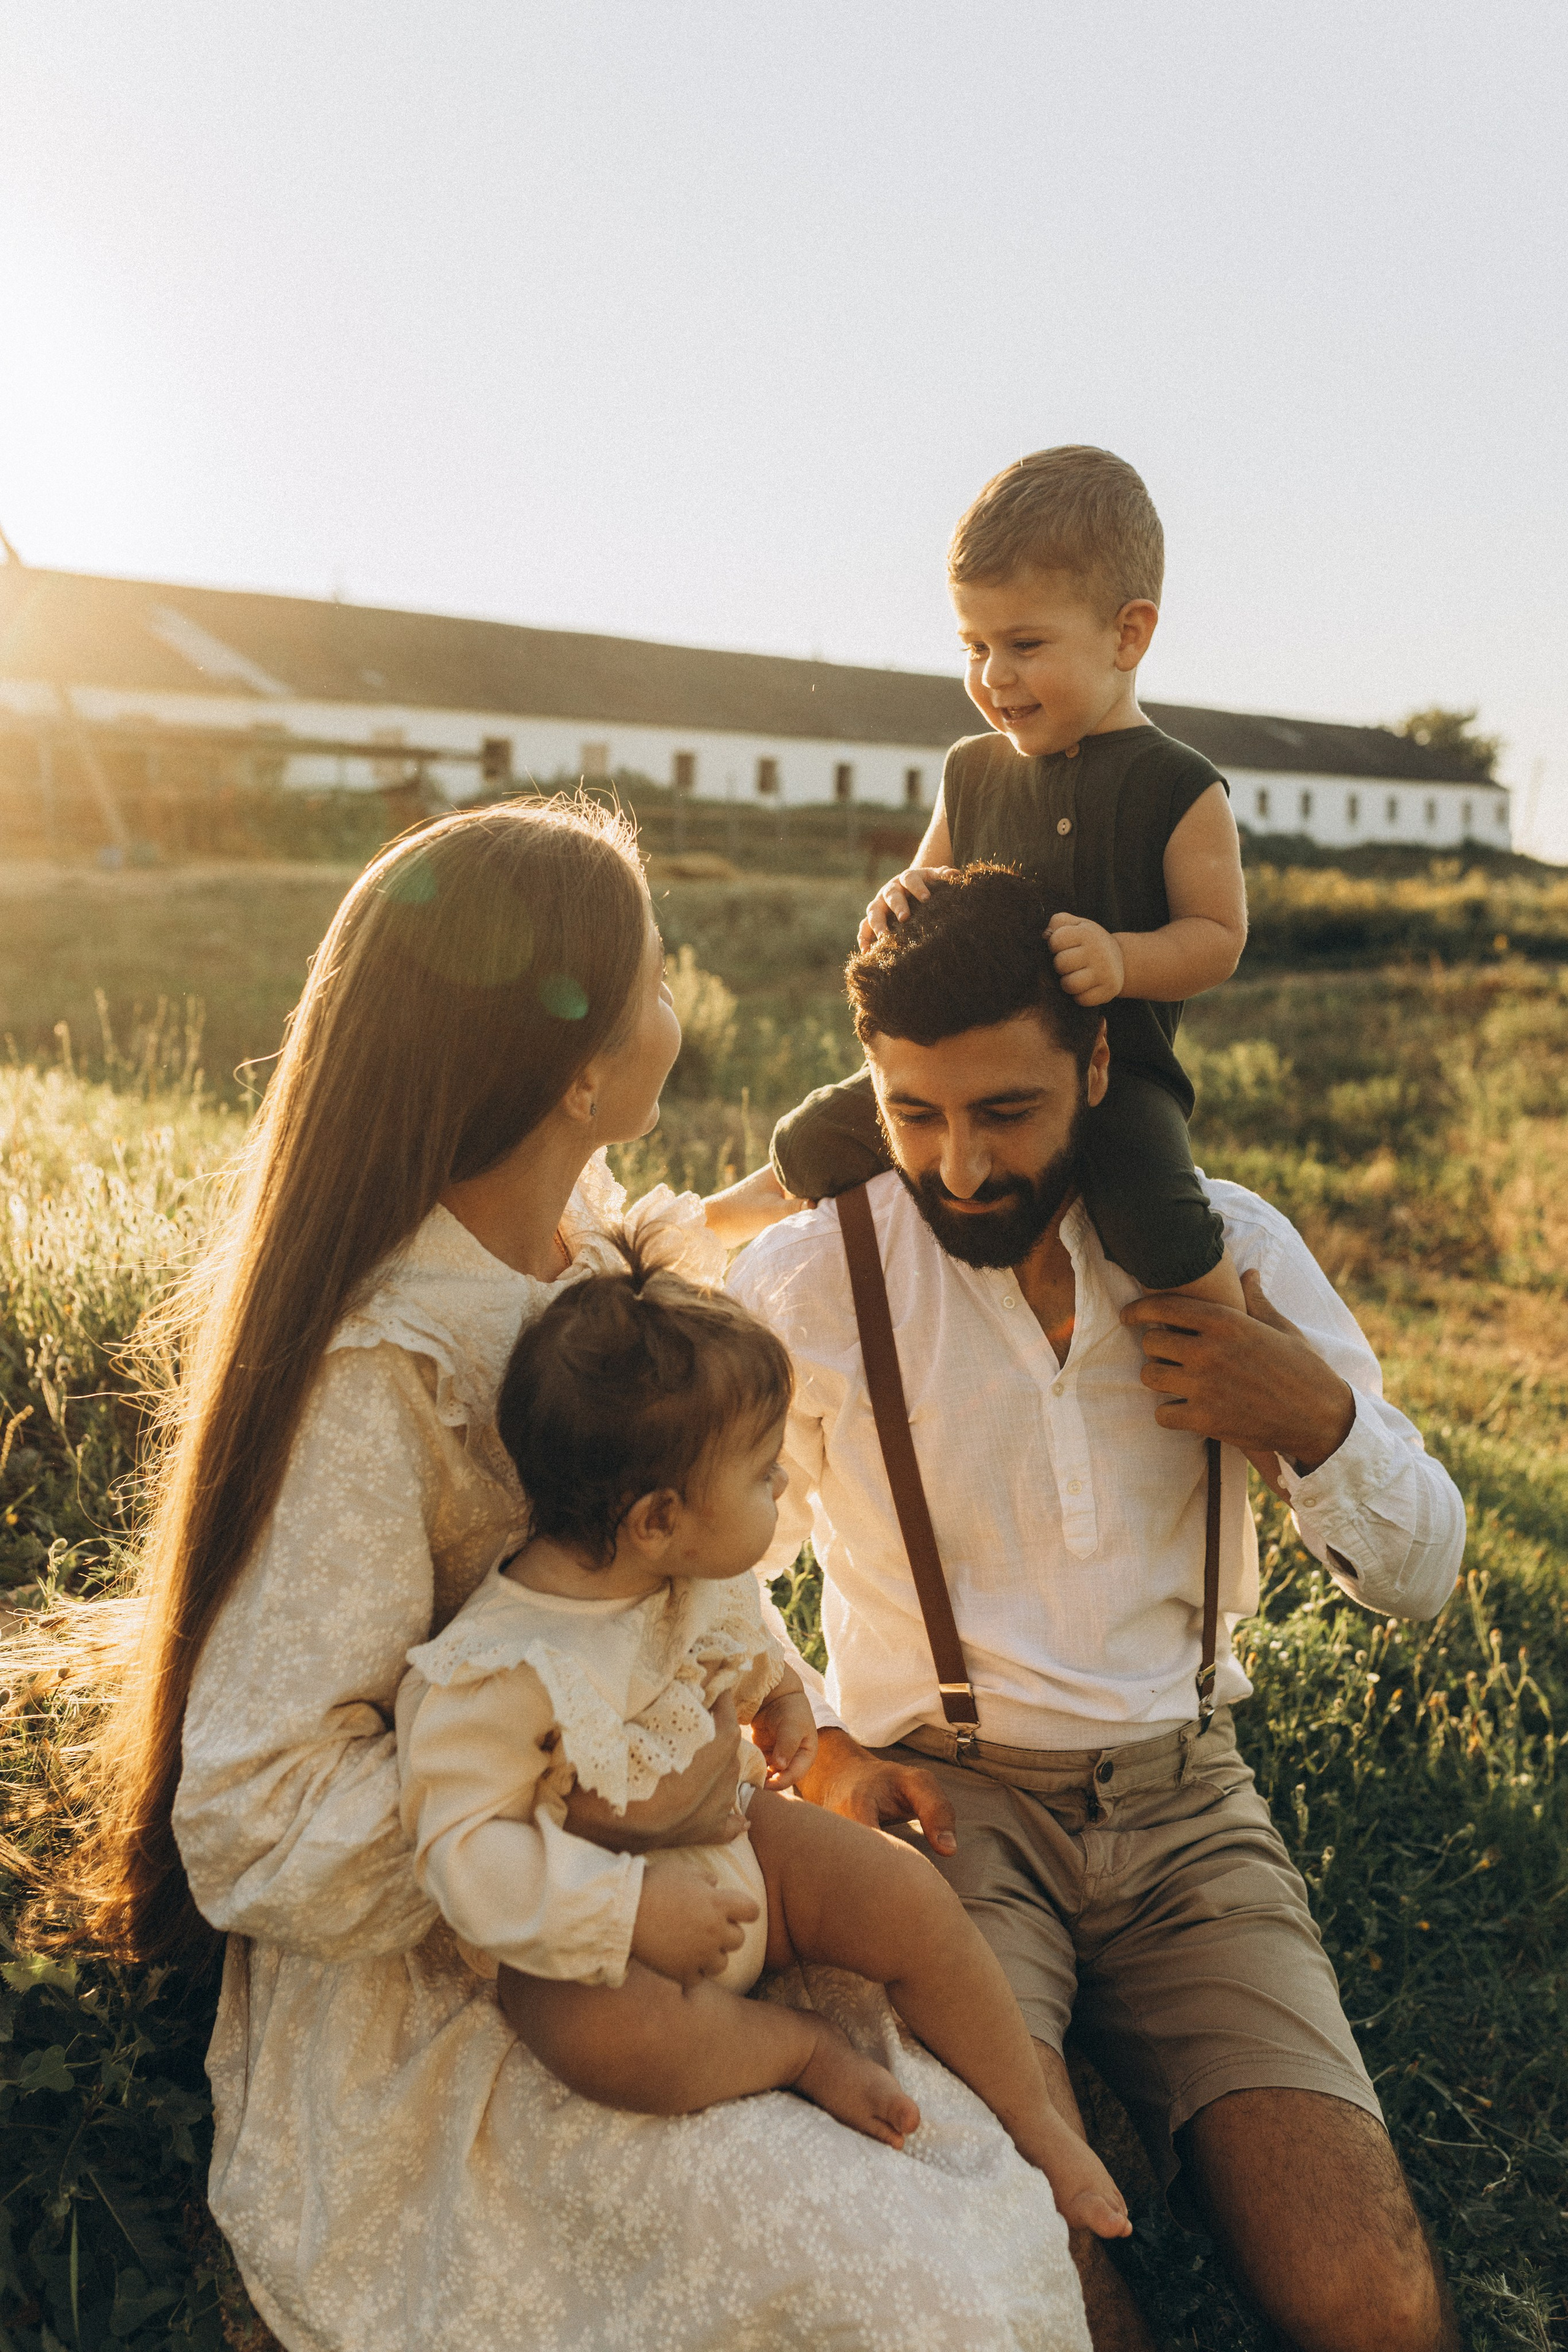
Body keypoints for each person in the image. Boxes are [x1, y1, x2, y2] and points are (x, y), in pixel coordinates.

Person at [63, 798, 1088, 2352]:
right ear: (579, 1074)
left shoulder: (592, 1243)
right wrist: (582, 1847)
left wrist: (770, 1728)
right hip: (484, 1966)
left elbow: (670, 1555)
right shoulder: (384, 1365)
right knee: (898, 2284)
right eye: (654, 972)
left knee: (960, 2186)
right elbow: (251, 1811)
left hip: (689, 1868)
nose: (675, 989)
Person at [728, 865, 1466, 2352]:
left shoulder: (1231, 1249)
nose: (956, 1168)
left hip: (1192, 1813)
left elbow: (1421, 1573)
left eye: (1004, 1112)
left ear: (1100, 1063)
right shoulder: (809, 1282)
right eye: (911, 1112)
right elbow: (696, 1574)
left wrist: (1310, 1419)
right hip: (940, 1823)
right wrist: (807, 1749)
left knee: (1372, 2309)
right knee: (1048, 2302)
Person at [396, 1257, 1131, 2237]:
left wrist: (779, 1695)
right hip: (606, 1949)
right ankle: (793, 2049)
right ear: (657, 1520)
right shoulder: (502, 1667)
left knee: (903, 1890)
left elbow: (738, 1644)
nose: (782, 1481)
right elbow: (463, 1849)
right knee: (613, 2042)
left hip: (748, 1858)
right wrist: (627, 1910)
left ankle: (1037, 2120)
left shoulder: (690, 1574)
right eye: (761, 1473)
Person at [711, 445, 1249, 1322]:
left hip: (1116, 1075)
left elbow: (1217, 938)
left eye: (1025, 645)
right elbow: (929, 882)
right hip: (956, 1064)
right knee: (816, 1135)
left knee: (1156, 1216)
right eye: (974, 646)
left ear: (1129, 634)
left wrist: (1123, 958)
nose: (994, 676)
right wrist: (897, 903)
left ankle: (1241, 1342)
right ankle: (695, 1237)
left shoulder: (1177, 785)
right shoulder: (972, 770)